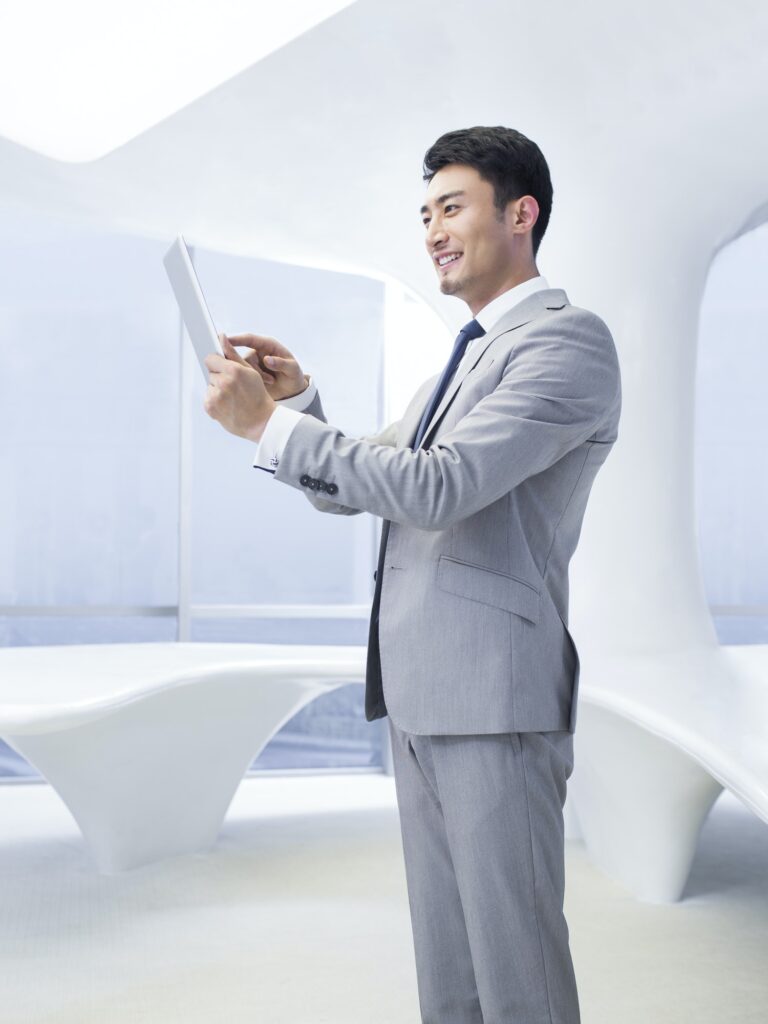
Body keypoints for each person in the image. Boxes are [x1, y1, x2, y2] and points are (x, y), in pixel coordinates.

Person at [204, 125, 622, 1024]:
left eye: (452, 206)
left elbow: (439, 488)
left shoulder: (566, 343)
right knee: (451, 974)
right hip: (424, 694)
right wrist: (296, 406)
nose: (432, 228)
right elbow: (360, 483)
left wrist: (263, 430)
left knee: (518, 974)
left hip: (495, 699)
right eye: (424, 212)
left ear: (521, 214)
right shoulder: (465, 355)